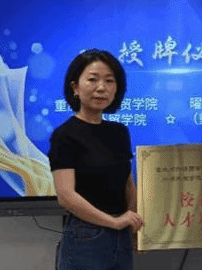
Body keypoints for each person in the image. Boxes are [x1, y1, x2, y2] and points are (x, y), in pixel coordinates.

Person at [49, 49, 144, 270]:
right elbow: (66, 196)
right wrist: (114, 222)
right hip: (86, 235)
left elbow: (127, 184)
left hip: (121, 232)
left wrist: (134, 225)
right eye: (92, 79)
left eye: (109, 80)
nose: (101, 87)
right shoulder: (65, 135)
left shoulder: (119, 132)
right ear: (75, 87)